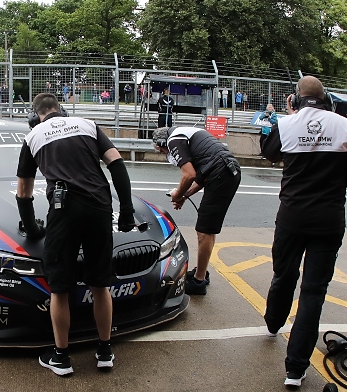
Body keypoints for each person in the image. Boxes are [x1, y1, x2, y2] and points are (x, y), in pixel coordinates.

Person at [16, 92, 137, 376]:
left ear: (36, 116)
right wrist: (127, 209)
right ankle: (105, 350)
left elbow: (24, 191)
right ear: (62, 110)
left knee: (59, 288)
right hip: (99, 207)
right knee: (100, 285)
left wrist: (32, 227)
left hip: (64, 211)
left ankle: (61, 356)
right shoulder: (87, 124)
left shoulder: (33, 137)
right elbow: (117, 164)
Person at [261, 76, 347, 388]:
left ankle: (273, 322)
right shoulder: (344, 126)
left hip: (292, 217)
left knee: (283, 274)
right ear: (326, 99)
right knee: (313, 291)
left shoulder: (288, 124)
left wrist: (285, 122)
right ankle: (295, 369)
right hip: (329, 219)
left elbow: (269, 152)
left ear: (295, 99)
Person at [152, 125, 241, 295]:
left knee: (204, 231)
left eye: (162, 151)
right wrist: (184, 196)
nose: (165, 154)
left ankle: (199, 281)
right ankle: (201, 272)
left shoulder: (173, 140)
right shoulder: (187, 135)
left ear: (162, 143)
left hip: (221, 172)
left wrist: (178, 194)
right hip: (227, 170)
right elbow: (201, 177)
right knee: (208, 230)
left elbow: (189, 175)